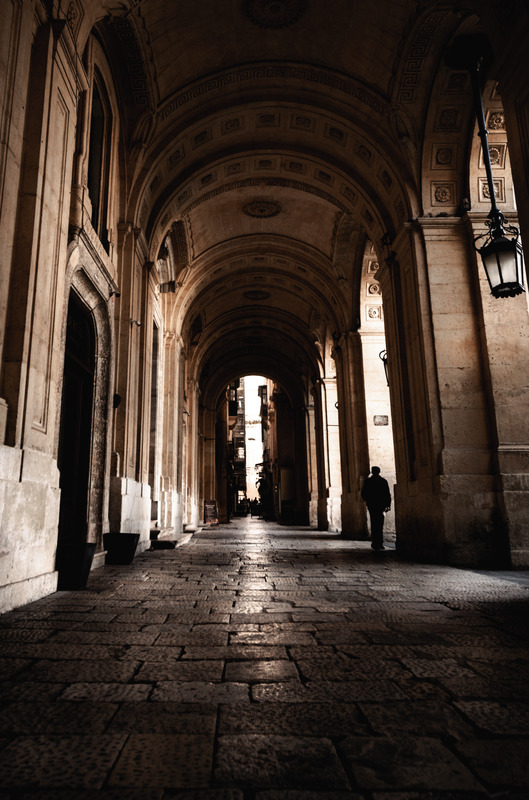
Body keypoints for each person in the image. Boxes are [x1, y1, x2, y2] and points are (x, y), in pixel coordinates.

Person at [361, 466, 391, 550]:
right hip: (381, 506)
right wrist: (388, 505)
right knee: (380, 524)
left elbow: (364, 493)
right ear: (379, 472)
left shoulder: (368, 481)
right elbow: (387, 494)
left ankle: (375, 542)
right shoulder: (383, 481)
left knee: (374, 523)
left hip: (372, 505)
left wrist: (368, 500)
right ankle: (380, 543)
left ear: (372, 472)